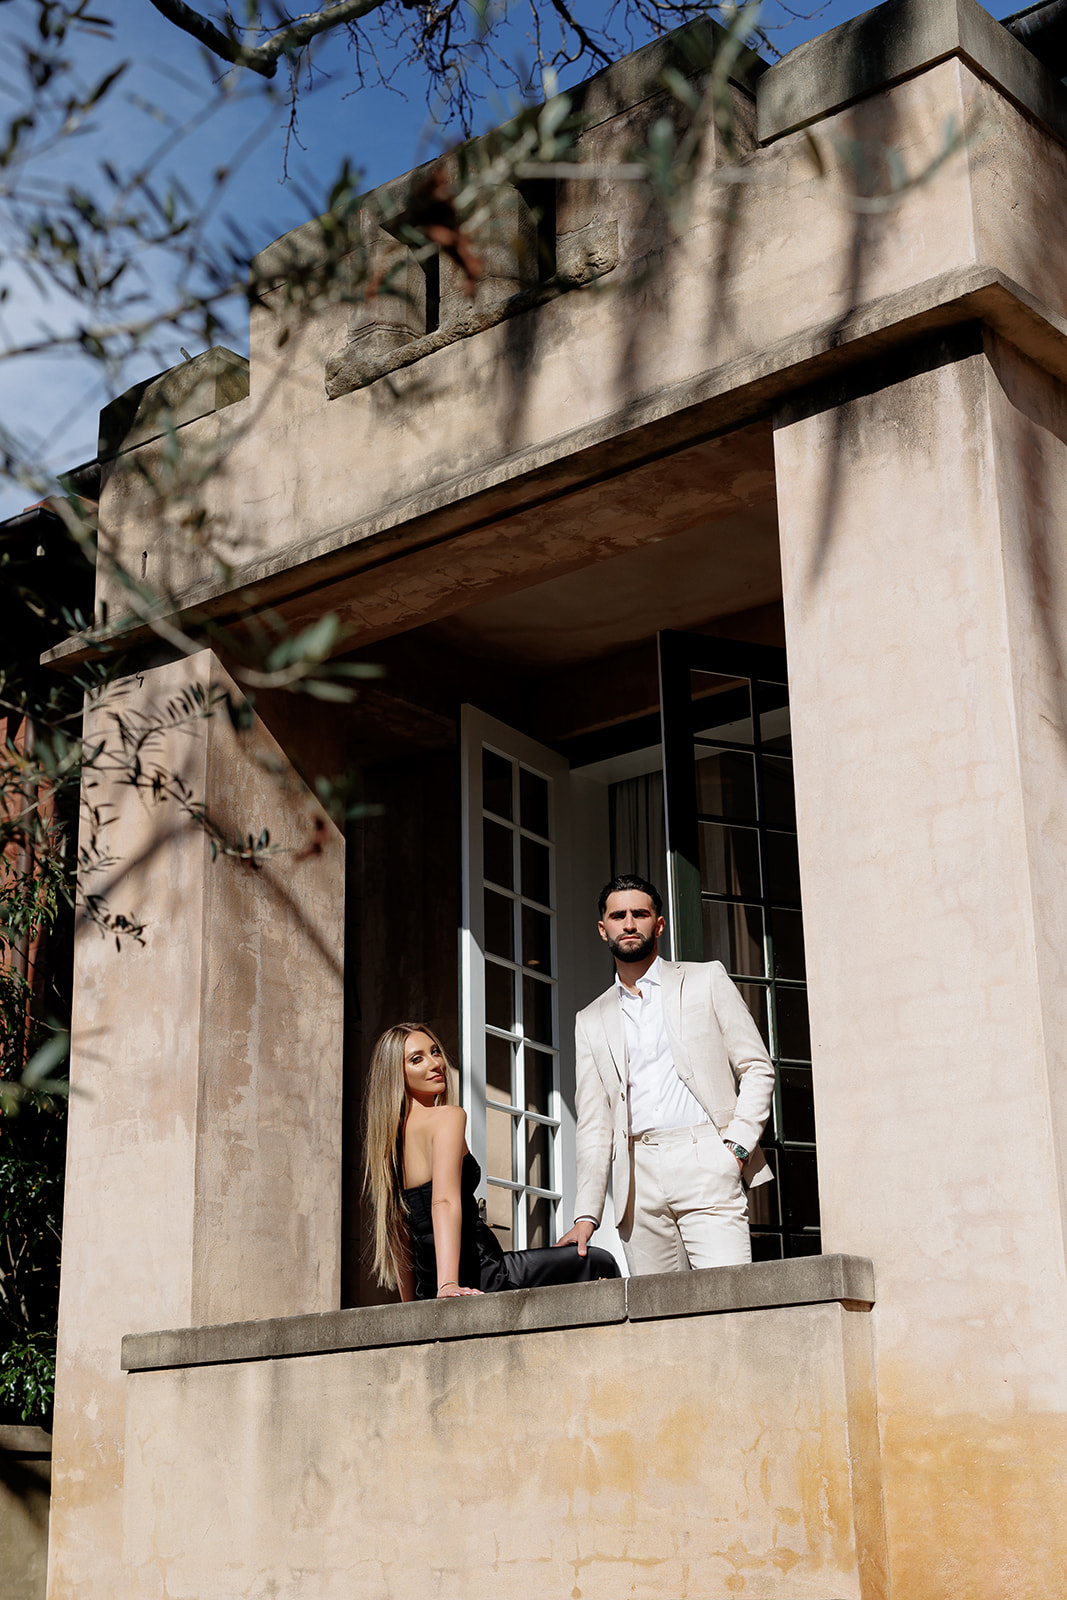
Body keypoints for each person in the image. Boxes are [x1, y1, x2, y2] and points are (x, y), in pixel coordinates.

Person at [556, 875, 775, 1275]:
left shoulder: (706, 979)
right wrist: (586, 1215)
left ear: (658, 924)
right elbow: (593, 1123)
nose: (629, 924)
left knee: (728, 1297)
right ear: (603, 929)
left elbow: (757, 1068)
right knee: (656, 1310)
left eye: (639, 914)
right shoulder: (590, 1019)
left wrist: (736, 1148)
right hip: (636, 1180)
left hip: (706, 1157)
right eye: (618, 916)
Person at [363, 1022, 621, 1299]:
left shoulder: (388, 1143)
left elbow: (398, 1230)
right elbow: (443, 1202)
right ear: (395, 1073)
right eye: (417, 1059)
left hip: (428, 1287)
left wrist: (409, 1304)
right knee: (598, 1263)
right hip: (483, 1273)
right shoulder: (447, 1117)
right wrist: (447, 1284)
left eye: (435, 1052)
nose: (435, 1063)